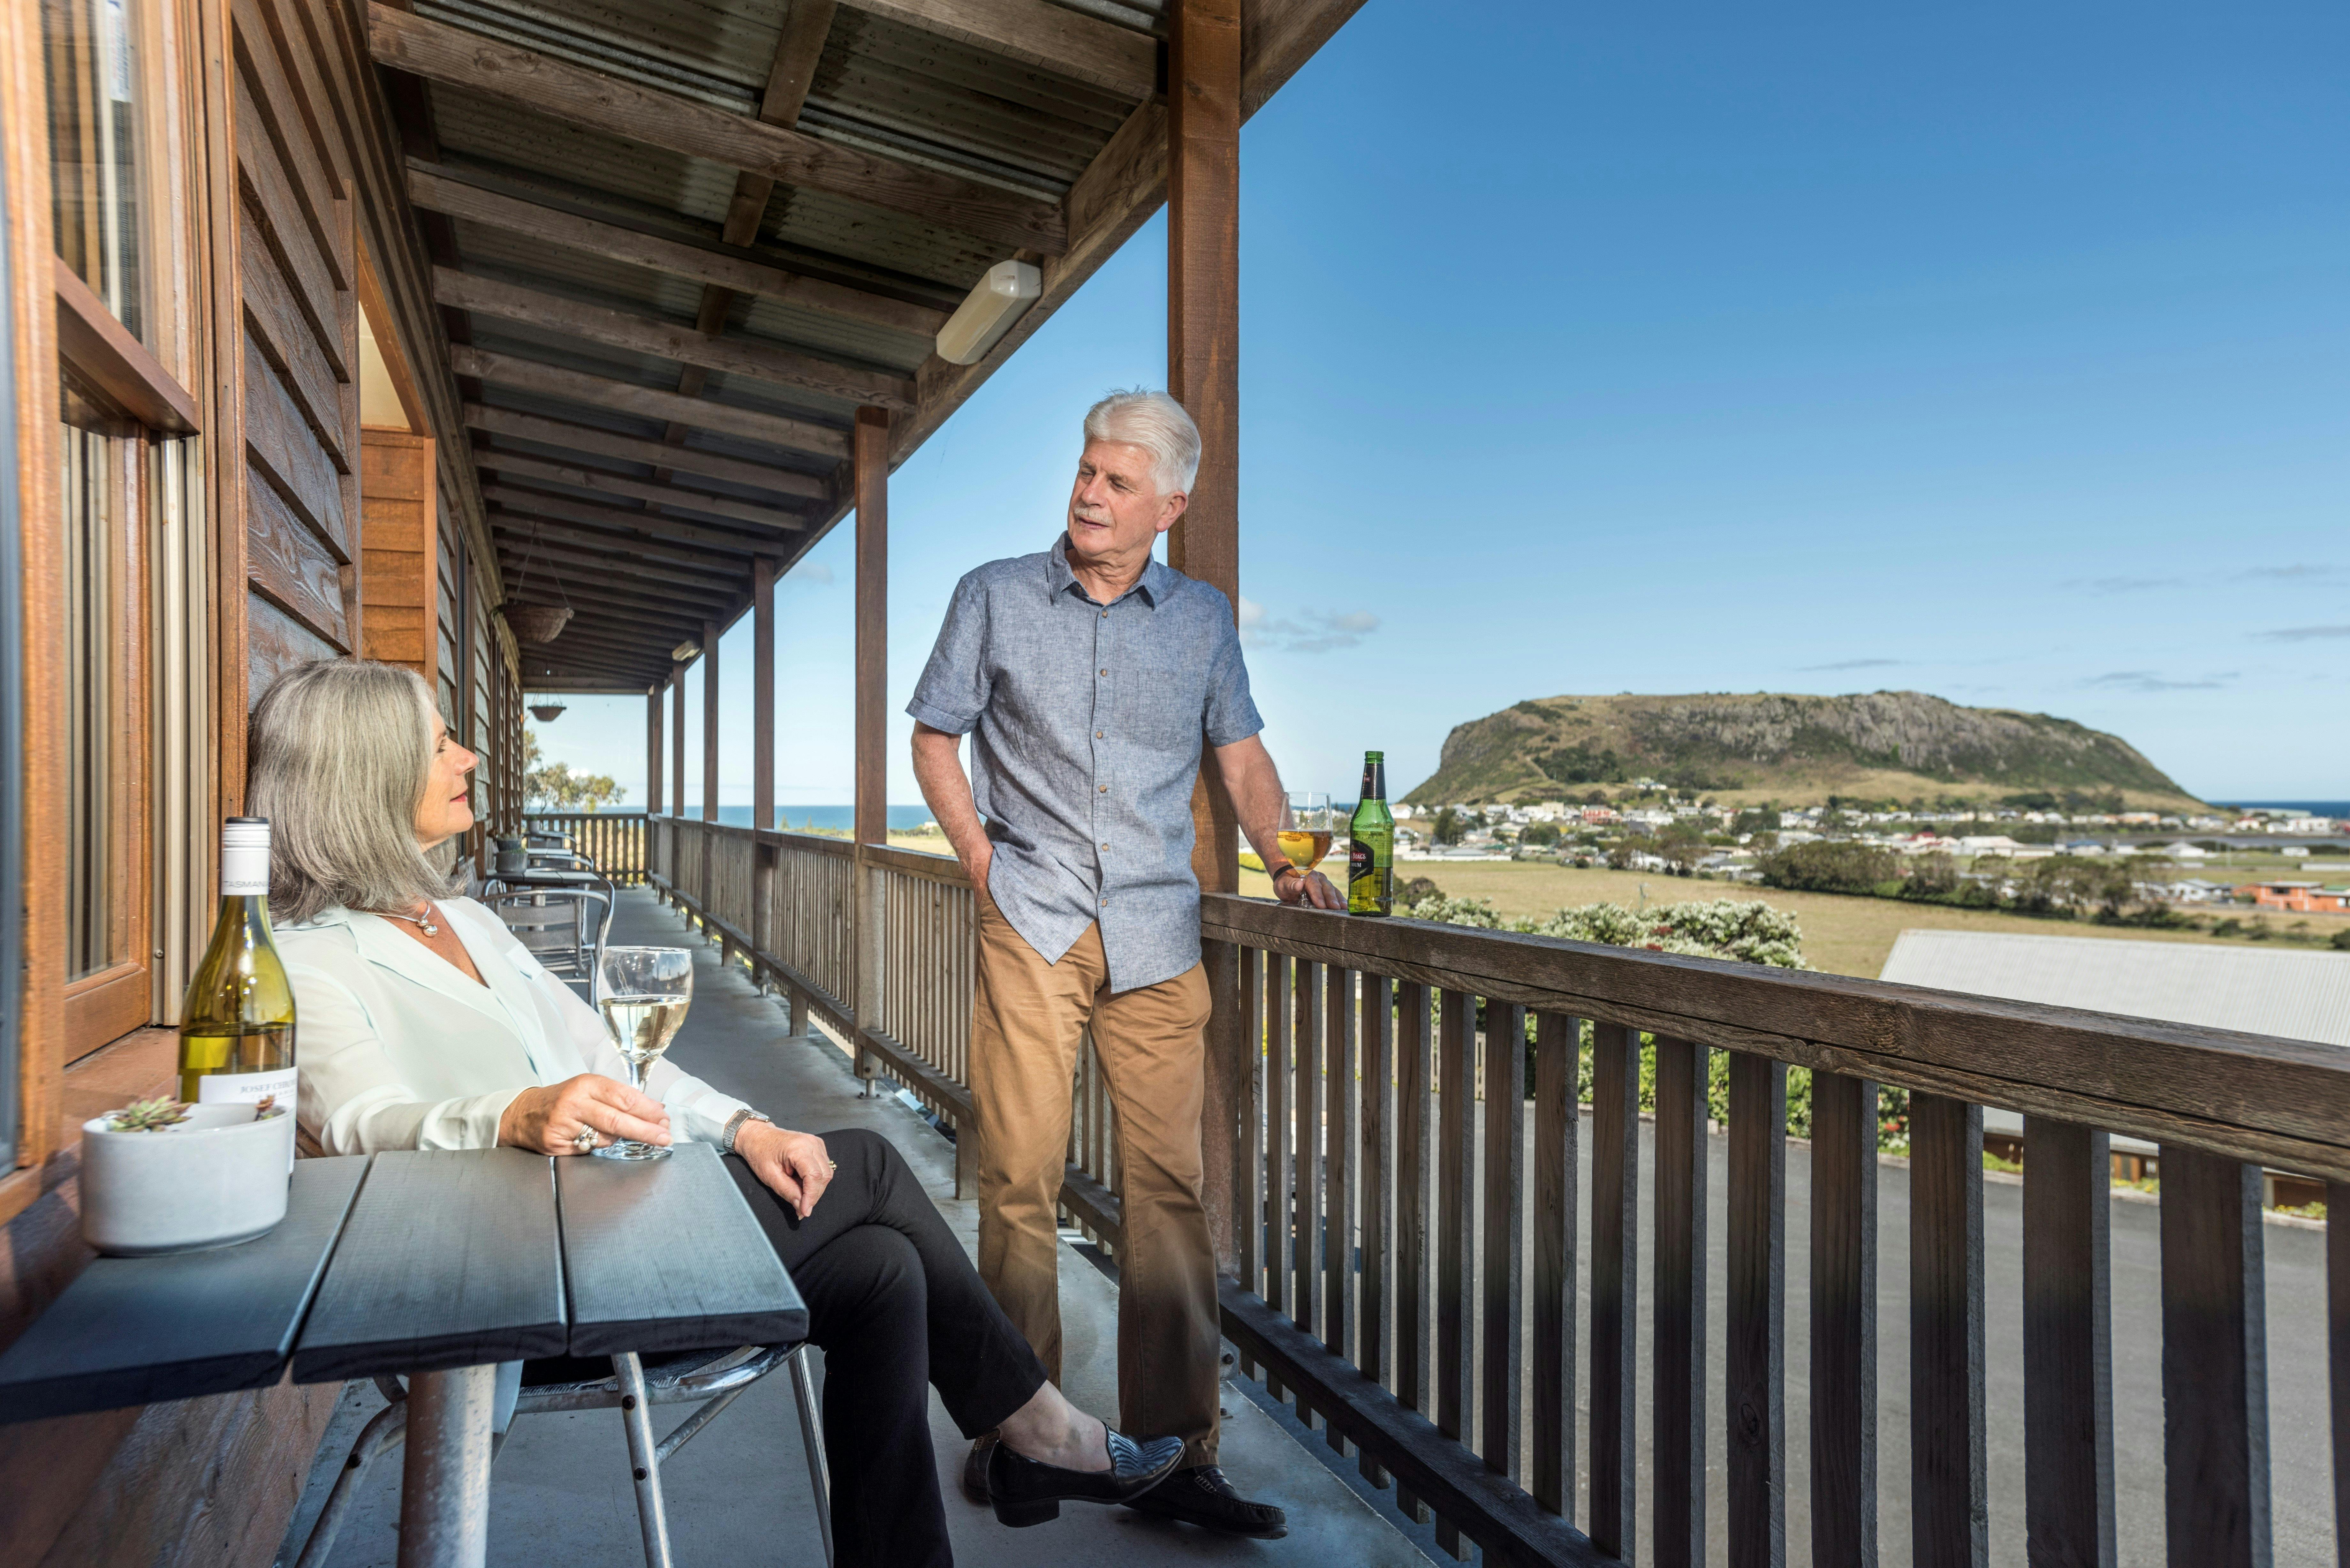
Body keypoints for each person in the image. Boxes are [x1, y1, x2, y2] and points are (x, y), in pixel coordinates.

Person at [250, 658, 1182, 1568]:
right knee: (868, 1166)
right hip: (504, 1291)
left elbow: (618, 1066)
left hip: (597, 1235)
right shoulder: (307, 960)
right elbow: (357, 1124)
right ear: (365, 777)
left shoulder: (469, 922)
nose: (468, 760)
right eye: (443, 743)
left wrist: (747, 1129)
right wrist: (512, 1112)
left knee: (881, 1270)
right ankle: (1043, 1431)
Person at [908, 388, 1344, 1541]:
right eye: (1085, 473)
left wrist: (1286, 861)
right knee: (1018, 1179)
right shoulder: (995, 594)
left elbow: (1240, 755)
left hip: (1159, 931)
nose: (1088, 494)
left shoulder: (1200, 619)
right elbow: (934, 732)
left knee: (1171, 1196)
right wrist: (976, 854)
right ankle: (1021, 1435)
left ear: (1171, 503)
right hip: (1035, 915)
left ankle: (1178, 1457)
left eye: (1115, 481)